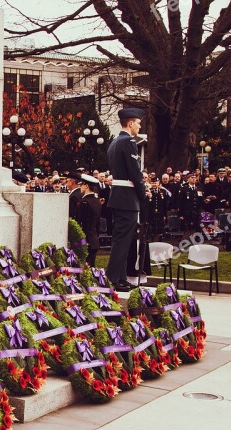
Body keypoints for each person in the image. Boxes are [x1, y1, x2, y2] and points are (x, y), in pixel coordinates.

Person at [105, 107, 146, 292]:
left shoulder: (115, 142)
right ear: (130, 123)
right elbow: (135, 173)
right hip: (127, 198)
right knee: (123, 240)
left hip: (119, 197)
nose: (139, 126)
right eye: (138, 123)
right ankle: (113, 277)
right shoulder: (128, 142)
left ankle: (120, 277)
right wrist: (143, 194)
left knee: (122, 239)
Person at [76, 174, 102, 267]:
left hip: (86, 240)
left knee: (86, 268)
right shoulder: (96, 201)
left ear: (86, 186)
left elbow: (83, 223)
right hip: (94, 238)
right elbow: (98, 222)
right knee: (91, 267)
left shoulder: (85, 202)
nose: (80, 187)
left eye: (82, 184)